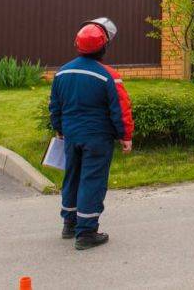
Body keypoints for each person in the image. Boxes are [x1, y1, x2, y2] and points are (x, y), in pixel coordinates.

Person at [49, 17, 134, 250]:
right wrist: (125, 136)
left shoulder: (62, 73)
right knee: (92, 181)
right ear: (103, 46)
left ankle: (70, 223)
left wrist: (59, 129)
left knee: (72, 176)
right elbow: (120, 109)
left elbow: (55, 106)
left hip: (71, 135)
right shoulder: (108, 76)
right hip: (97, 138)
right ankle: (86, 232)